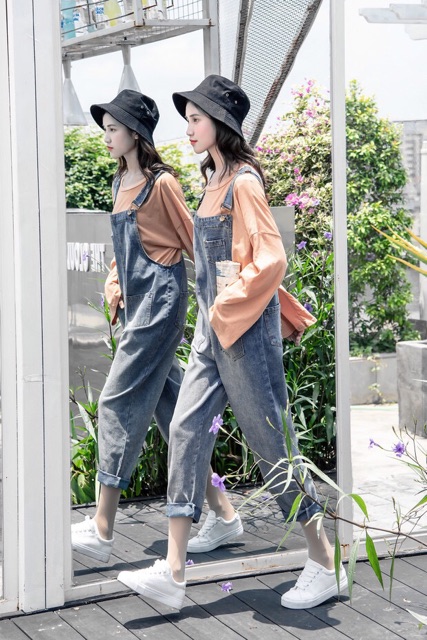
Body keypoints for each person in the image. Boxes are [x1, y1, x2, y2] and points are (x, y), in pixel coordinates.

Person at [116, 76, 348, 611]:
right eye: (188, 120)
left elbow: (271, 259)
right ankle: (174, 572)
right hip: (210, 333)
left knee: (273, 447)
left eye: (196, 119)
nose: (188, 129)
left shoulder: (243, 183)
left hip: (243, 335)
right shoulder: (212, 180)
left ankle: (324, 561)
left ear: (221, 123)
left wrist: (222, 310)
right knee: (184, 427)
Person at [71, 89, 242, 563]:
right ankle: (225, 514)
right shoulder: (118, 181)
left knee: (115, 401)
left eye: (113, 129)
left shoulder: (160, 183)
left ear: (135, 133)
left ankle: (103, 527)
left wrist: (223, 300)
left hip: (161, 302)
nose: (107, 137)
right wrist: (115, 280)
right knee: (174, 415)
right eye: (105, 129)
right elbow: (124, 248)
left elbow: (195, 241)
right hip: (135, 305)